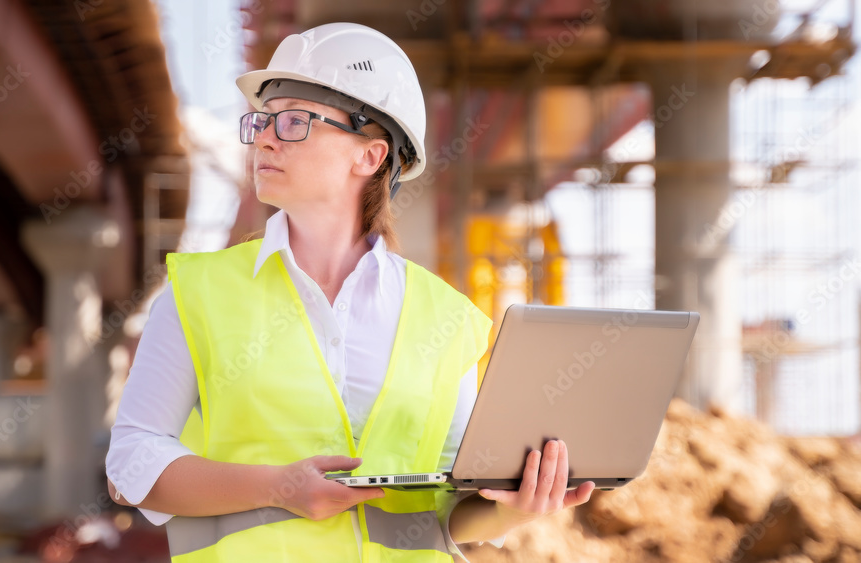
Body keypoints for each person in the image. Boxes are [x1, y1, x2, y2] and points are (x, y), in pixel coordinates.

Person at [105, 22, 594, 562]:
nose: (265, 137)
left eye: (293, 121)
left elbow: (454, 507)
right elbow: (130, 468)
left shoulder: (448, 320)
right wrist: (276, 487)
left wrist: (517, 509)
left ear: (370, 156)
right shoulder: (198, 294)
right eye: (262, 121)